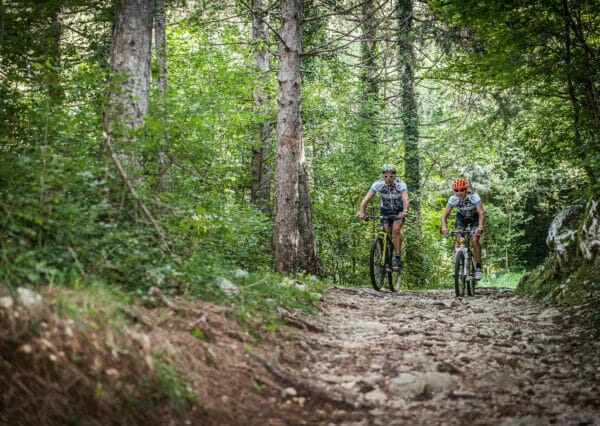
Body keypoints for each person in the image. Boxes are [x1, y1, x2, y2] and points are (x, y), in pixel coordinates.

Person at [356, 164, 409, 268]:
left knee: (396, 229)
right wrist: (361, 211)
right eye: (385, 176)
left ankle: (397, 257)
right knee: (385, 231)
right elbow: (367, 199)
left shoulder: (401, 184)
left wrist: (405, 211)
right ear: (383, 176)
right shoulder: (378, 184)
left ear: (395, 176)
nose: (388, 179)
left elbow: (405, 199)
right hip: (385, 210)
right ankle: (385, 253)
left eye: (391, 176)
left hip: (399, 210)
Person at [441, 177, 485, 279]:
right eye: (456, 190)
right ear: (453, 190)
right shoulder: (453, 199)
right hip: (461, 217)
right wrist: (444, 227)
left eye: (462, 190)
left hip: (475, 217)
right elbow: (444, 215)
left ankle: (478, 268)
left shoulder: (474, 196)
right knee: (458, 238)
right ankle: (457, 266)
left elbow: (481, 212)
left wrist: (480, 226)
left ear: (466, 189)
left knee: (474, 240)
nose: (459, 193)